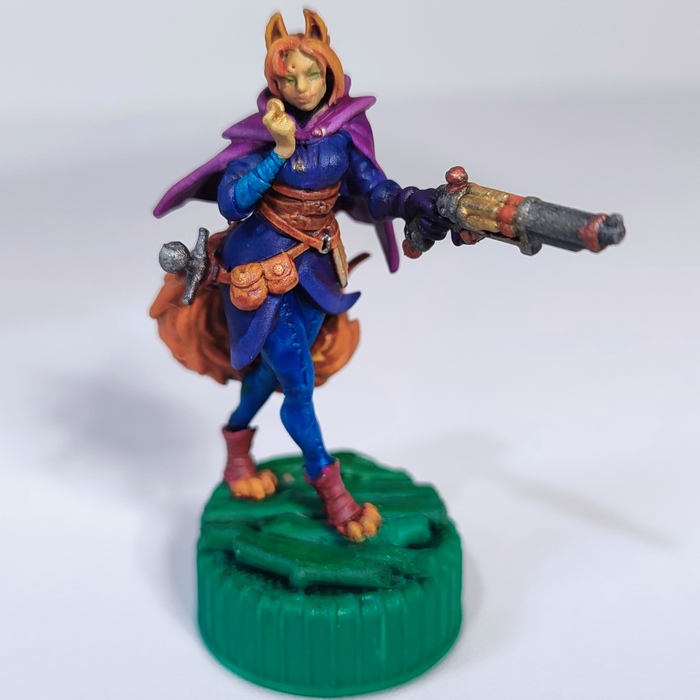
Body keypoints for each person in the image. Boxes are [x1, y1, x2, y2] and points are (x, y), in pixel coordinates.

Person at [153, 9, 449, 541]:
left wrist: (412, 201)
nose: (302, 86)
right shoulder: (265, 135)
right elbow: (232, 202)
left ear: (329, 69)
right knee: (299, 384)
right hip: (259, 277)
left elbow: (374, 191)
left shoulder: (343, 134)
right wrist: (280, 153)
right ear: (274, 82)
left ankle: (236, 450)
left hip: (315, 271)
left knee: (271, 376)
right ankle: (334, 495)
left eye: (312, 73)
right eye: (289, 78)